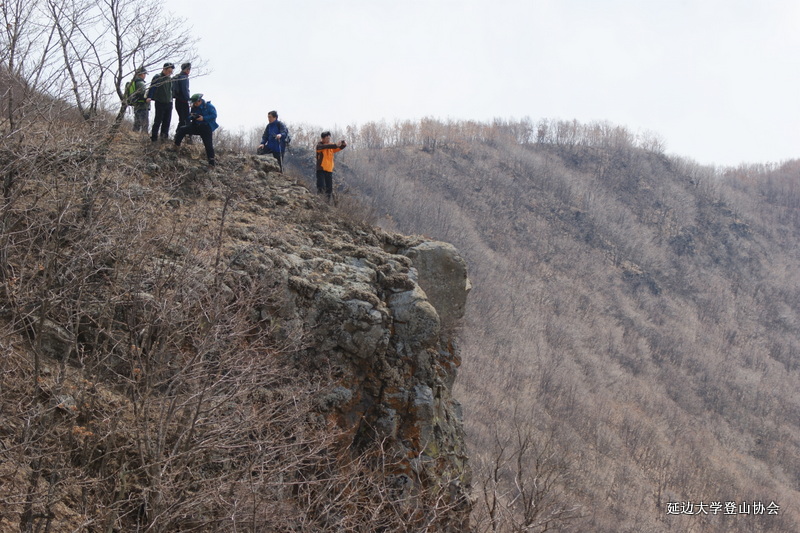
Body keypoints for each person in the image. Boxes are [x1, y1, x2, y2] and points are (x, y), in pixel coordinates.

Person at [174, 93, 218, 166]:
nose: (194, 104)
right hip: (196, 126)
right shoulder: (194, 108)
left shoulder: (209, 106)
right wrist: (192, 117)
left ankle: (211, 162)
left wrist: (203, 118)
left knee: (208, 145)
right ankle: (176, 146)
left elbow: (214, 115)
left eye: (195, 103)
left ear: (199, 101)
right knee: (182, 129)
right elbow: (189, 117)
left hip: (206, 127)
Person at [147, 62, 174, 142]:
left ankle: (164, 139)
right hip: (160, 102)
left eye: (171, 71)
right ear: (164, 69)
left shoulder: (170, 79)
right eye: (169, 71)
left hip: (169, 103)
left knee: (167, 121)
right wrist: (149, 97)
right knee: (158, 121)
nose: (170, 73)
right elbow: (152, 87)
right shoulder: (158, 77)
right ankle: (154, 138)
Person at [315, 131, 346, 200]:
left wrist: (343, 145)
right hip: (321, 170)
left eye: (329, 138)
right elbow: (326, 146)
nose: (328, 140)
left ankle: (327, 202)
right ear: (322, 138)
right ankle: (319, 200)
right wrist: (335, 145)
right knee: (321, 187)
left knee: (329, 189)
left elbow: (338, 148)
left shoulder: (331, 146)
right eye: (327, 138)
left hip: (329, 170)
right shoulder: (319, 146)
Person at [129, 67, 150, 134]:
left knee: (137, 123)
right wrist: (146, 98)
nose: (145, 75)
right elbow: (143, 94)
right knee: (144, 124)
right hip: (143, 106)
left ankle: (134, 135)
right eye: (144, 74)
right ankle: (143, 137)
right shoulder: (141, 83)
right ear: (141, 74)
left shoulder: (134, 82)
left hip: (136, 105)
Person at [173, 62, 191, 134]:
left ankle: (178, 135)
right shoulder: (184, 78)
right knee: (185, 120)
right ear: (187, 69)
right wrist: (189, 100)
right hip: (183, 102)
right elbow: (184, 90)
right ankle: (179, 135)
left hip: (177, 101)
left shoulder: (178, 77)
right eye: (189, 69)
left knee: (182, 119)